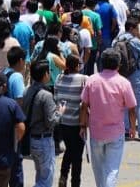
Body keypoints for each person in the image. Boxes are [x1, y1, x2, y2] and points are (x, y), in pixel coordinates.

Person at [80, 48, 137, 187]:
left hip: (96, 132)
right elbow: (132, 108)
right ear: (118, 64)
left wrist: (82, 126)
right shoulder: (124, 83)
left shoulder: (92, 80)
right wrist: (133, 128)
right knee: (112, 170)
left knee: (98, 169)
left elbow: (83, 105)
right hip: (115, 133)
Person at [22, 60, 63, 187]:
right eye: (49, 71)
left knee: (40, 174)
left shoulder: (27, 90)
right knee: (46, 180)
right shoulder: (46, 95)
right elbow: (51, 122)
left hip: (31, 140)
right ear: (45, 74)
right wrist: (60, 112)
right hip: (43, 140)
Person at [54, 54, 87, 187]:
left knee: (70, 149)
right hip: (78, 123)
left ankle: (63, 176)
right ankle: (75, 182)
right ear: (77, 66)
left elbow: (56, 97)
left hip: (63, 121)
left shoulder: (59, 77)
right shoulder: (84, 79)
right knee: (77, 155)